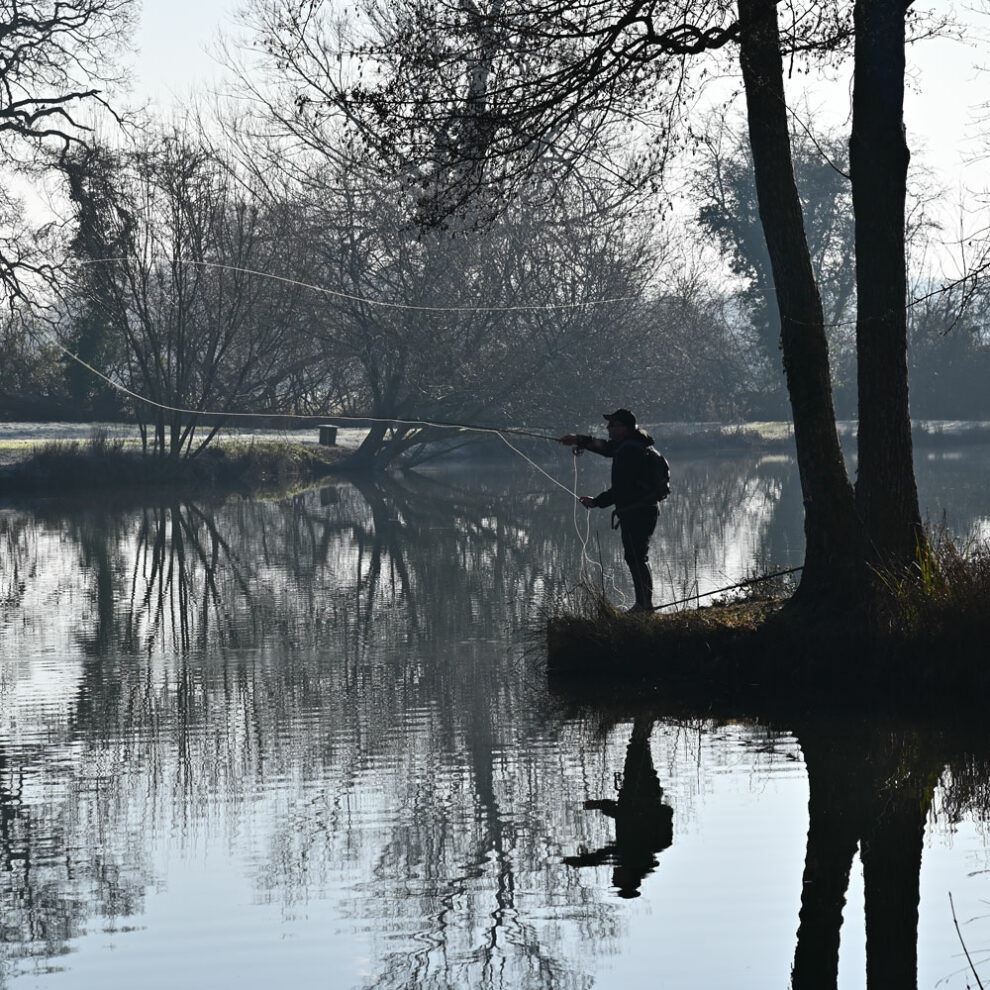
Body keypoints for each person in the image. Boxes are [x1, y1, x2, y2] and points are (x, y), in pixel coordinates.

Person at [559, 408, 664, 613]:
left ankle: (644, 606)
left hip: (638, 512)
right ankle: (644, 605)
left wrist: (596, 502)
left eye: (612, 425)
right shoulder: (631, 445)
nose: (607, 428)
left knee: (636, 557)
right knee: (636, 557)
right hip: (641, 510)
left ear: (624, 428)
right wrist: (579, 439)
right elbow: (607, 448)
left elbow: (622, 489)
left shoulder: (629, 451)